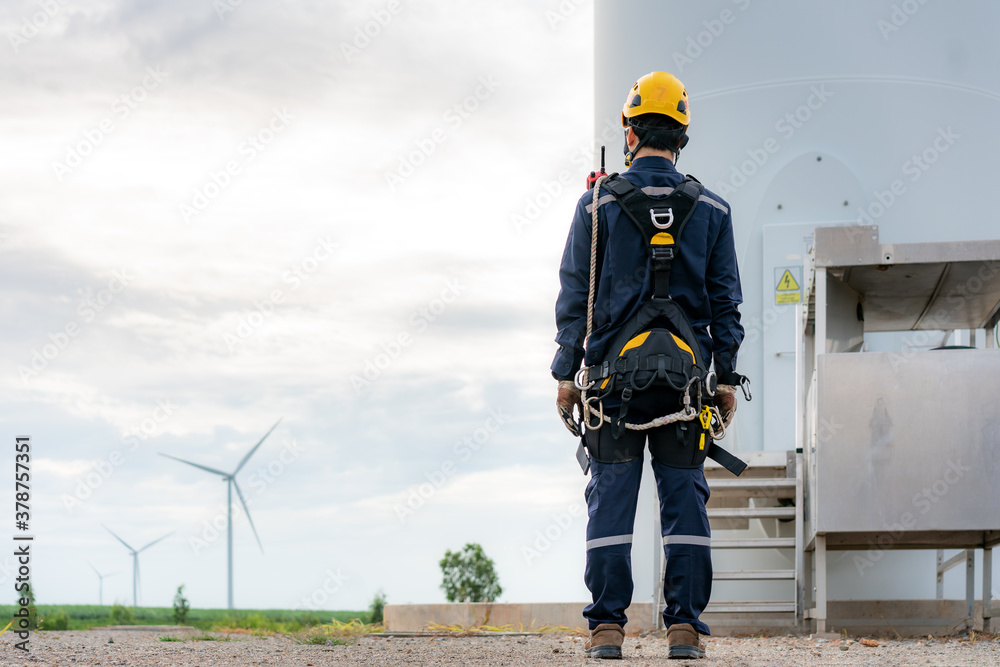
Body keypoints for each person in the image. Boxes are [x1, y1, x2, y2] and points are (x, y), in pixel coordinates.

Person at [552, 71, 746, 660]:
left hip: (612, 386)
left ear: (630, 130)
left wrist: (566, 374)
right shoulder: (712, 209)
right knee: (684, 500)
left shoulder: (598, 203)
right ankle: (684, 629)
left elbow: (574, 295)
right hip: (687, 388)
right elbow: (725, 303)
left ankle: (607, 629)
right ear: (682, 136)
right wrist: (728, 377)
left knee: (610, 500)